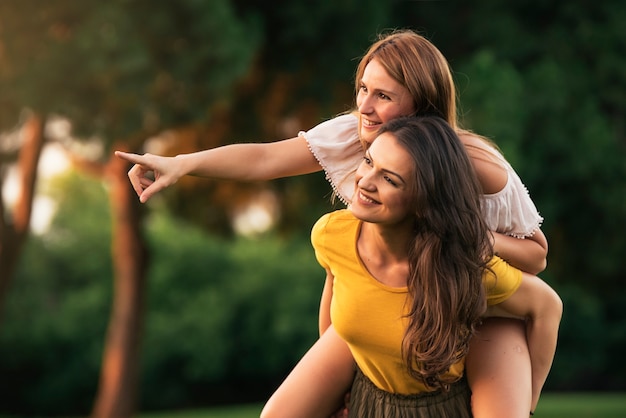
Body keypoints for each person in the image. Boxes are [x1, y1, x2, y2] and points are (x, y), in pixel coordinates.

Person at [115, 30, 553, 416]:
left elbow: (536, 254)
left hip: (472, 297)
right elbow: (266, 158)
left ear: (421, 104)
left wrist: (468, 237)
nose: (364, 105)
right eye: (363, 88)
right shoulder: (356, 136)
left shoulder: (476, 165)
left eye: (384, 95)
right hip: (385, 291)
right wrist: (179, 163)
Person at [264, 116, 561, 417]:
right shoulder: (331, 234)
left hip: (441, 407)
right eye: (368, 162)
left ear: (421, 202)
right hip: (371, 400)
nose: (365, 182)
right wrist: (336, 385)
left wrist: (530, 399)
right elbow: (335, 295)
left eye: (390, 179)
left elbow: (548, 306)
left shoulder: (463, 269)